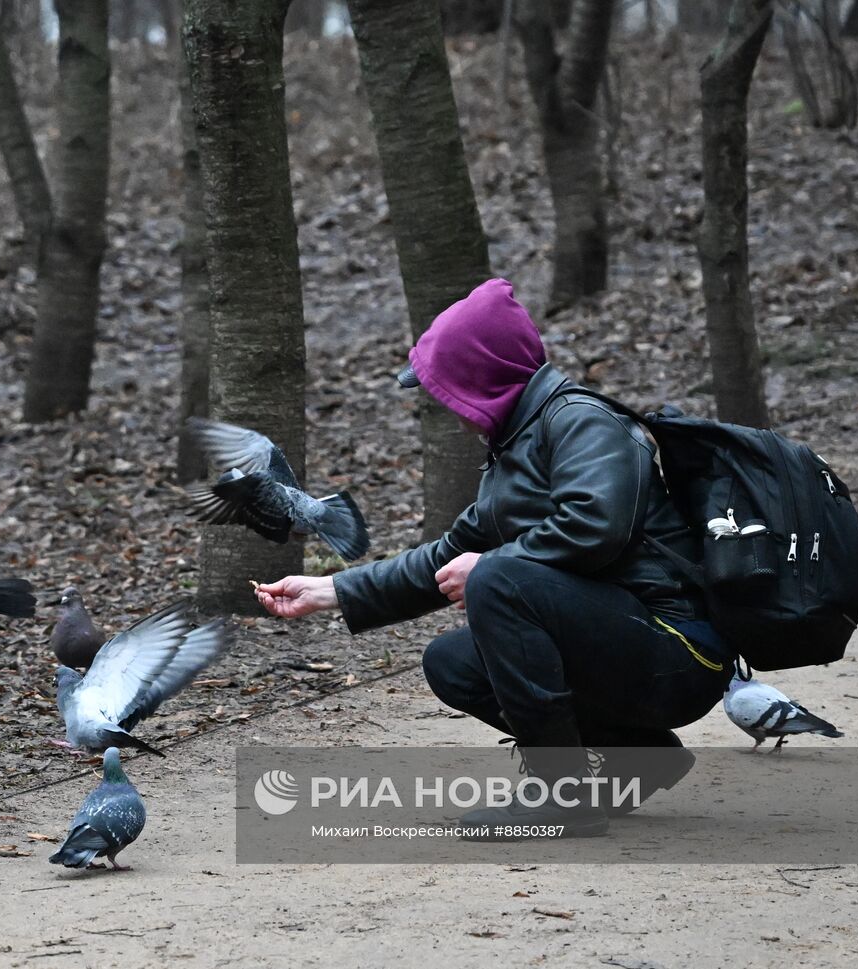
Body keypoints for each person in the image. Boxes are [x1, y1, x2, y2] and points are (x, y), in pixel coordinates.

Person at [255, 278, 734, 838]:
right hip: (625, 646)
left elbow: (596, 526)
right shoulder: (516, 446)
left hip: (678, 650)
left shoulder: (581, 421)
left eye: (448, 387)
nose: (443, 404)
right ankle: (638, 757)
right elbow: (445, 554)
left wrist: (490, 566)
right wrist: (332, 590)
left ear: (483, 376)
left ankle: (562, 796)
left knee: (500, 578)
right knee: (453, 662)